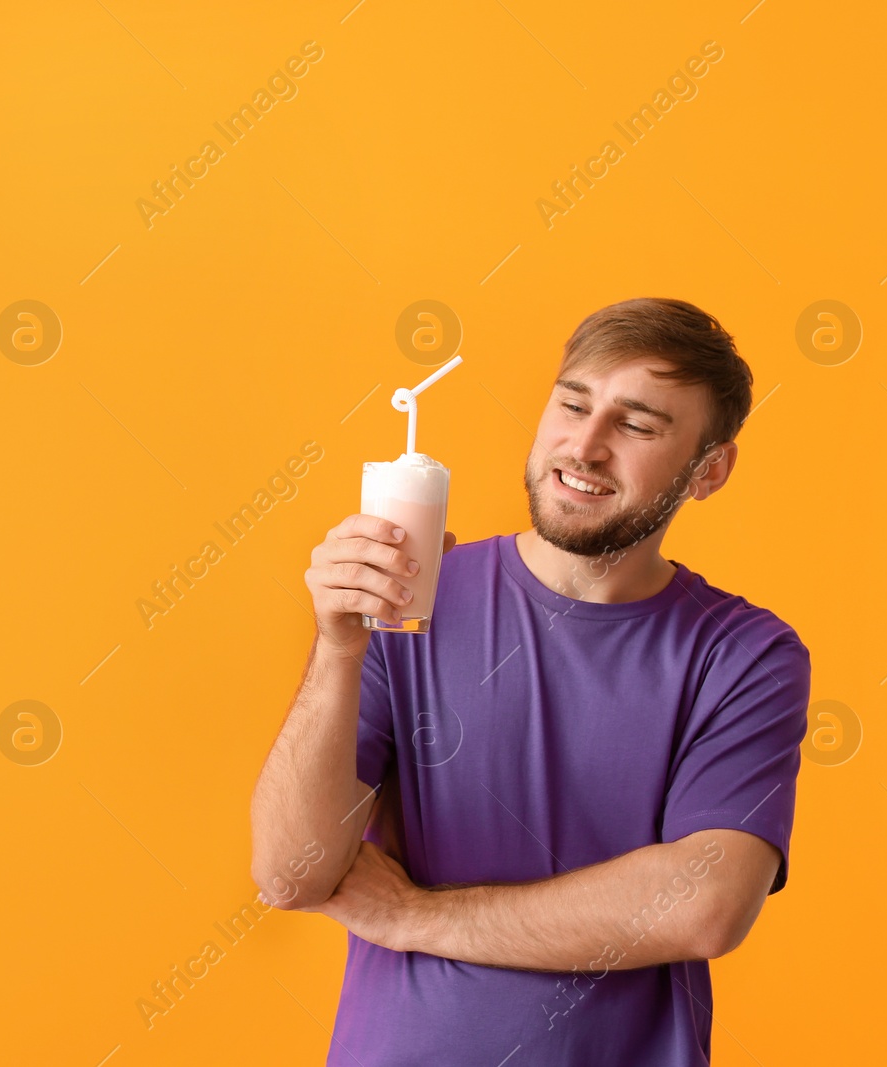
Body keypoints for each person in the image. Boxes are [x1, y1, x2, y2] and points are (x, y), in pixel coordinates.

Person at [249, 297, 810, 1065]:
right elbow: (290, 873)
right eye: (572, 404)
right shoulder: (415, 605)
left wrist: (417, 917)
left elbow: (705, 904)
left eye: (637, 424)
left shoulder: (744, 654)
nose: (585, 445)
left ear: (709, 469)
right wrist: (338, 648)